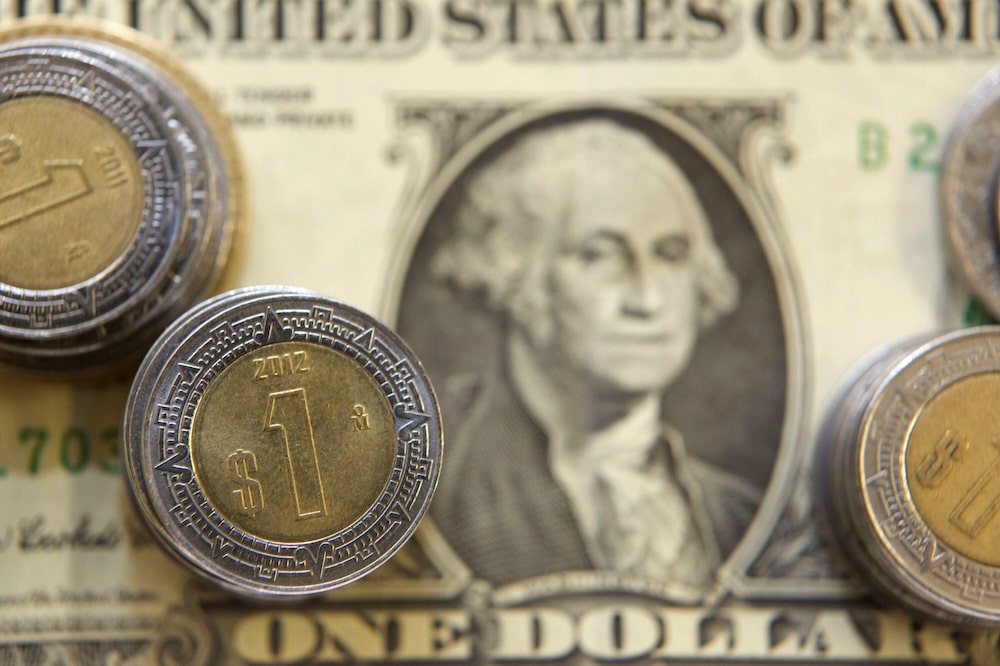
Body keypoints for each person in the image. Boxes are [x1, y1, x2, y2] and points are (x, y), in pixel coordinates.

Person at [430, 118, 761, 593]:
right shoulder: (437, 482)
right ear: (516, 275)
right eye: (600, 256)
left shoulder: (738, 514)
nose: (646, 300)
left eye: (669, 255)